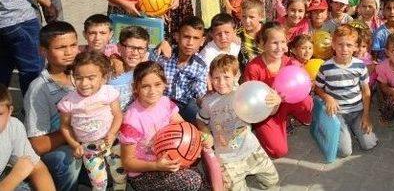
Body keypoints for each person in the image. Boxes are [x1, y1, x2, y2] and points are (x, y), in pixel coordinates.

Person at [119, 61, 207, 190]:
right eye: (145, 86)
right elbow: (128, 163)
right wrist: (156, 166)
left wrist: (197, 138)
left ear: (165, 84)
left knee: (197, 171)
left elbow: (182, 125)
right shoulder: (131, 120)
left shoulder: (165, 102)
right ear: (135, 87)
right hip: (144, 173)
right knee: (193, 180)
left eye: (157, 84)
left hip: (167, 159)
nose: (152, 91)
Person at [197, 55, 279, 191]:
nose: (221, 82)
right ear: (210, 78)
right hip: (226, 158)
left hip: (252, 150)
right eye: (216, 78)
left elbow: (269, 112)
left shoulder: (246, 93)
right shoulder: (208, 102)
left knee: (272, 181)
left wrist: (276, 102)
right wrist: (205, 132)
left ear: (237, 76)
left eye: (226, 77)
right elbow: (200, 119)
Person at [24, 22, 83, 191]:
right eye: (61, 47)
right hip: (58, 149)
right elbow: (37, 145)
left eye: (73, 45)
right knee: (67, 159)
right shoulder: (38, 89)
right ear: (43, 51)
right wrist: (74, 130)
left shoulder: (81, 73)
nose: (69, 52)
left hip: (85, 142)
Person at [242, 22, 313, 159]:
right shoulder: (254, 68)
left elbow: (303, 87)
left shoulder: (291, 63)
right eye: (274, 43)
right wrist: (269, 103)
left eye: (282, 42)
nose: (280, 47)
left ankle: (292, 119)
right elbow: (249, 100)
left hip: (286, 103)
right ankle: (267, 129)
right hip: (266, 112)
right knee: (278, 151)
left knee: (306, 102)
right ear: (262, 44)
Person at [57, 52, 125, 191]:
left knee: (120, 176)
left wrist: (112, 133)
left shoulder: (108, 93)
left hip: (112, 142)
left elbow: (118, 115)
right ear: (73, 77)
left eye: (91, 78)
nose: (84, 83)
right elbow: (65, 126)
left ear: (104, 78)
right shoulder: (69, 102)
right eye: (79, 78)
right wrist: (75, 144)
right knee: (98, 182)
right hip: (89, 148)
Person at [315, 25, 378, 157]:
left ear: (355, 46)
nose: (344, 49)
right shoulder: (326, 67)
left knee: (369, 144)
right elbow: (317, 88)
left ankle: (351, 130)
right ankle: (339, 129)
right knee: (344, 152)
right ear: (333, 45)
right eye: (340, 44)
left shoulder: (360, 66)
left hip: (356, 112)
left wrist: (366, 116)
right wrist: (327, 97)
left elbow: (366, 92)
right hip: (337, 114)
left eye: (349, 45)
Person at [150, 16, 207, 123]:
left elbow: (201, 92)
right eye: (186, 36)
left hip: (184, 105)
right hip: (160, 101)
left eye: (196, 38)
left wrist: (207, 104)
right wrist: (160, 44)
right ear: (177, 36)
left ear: (202, 41)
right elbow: (146, 62)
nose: (190, 43)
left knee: (199, 116)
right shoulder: (164, 55)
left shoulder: (200, 65)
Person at [0, 83, 55, 190]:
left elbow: (38, 168)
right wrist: (15, 176)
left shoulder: (14, 126)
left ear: (10, 111)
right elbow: (22, 169)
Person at [108, 26, 150, 110]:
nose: (135, 53)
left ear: (146, 50)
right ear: (119, 47)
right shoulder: (108, 71)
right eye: (130, 47)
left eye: (140, 48)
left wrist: (164, 43)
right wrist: (113, 58)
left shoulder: (147, 70)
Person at [237, 0, 266, 70]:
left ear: (261, 17)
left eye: (251, 17)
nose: (247, 21)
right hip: (246, 74)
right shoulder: (238, 34)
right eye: (244, 16)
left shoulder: (268, 33)